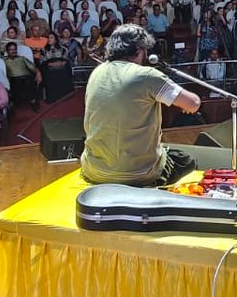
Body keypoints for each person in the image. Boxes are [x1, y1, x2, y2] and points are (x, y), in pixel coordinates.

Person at [80, 24, 202, 186]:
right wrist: (184, 104)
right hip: (138, 174)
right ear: (139, 50)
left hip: (94, 170)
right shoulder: (147, 76)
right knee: (186, 161)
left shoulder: (97, 72)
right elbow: (193, 104)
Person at [3, 42, 41, 110]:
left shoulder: (22, 58)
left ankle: (33, 101)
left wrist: (38, 73)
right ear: (7, 51)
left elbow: (32, 67)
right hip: (14, 79)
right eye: (11, 50)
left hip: (27, 78)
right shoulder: (4, 60)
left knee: (29, 80)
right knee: (17, 82)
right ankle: (12, 104)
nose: (13, 51)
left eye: (15, 49)